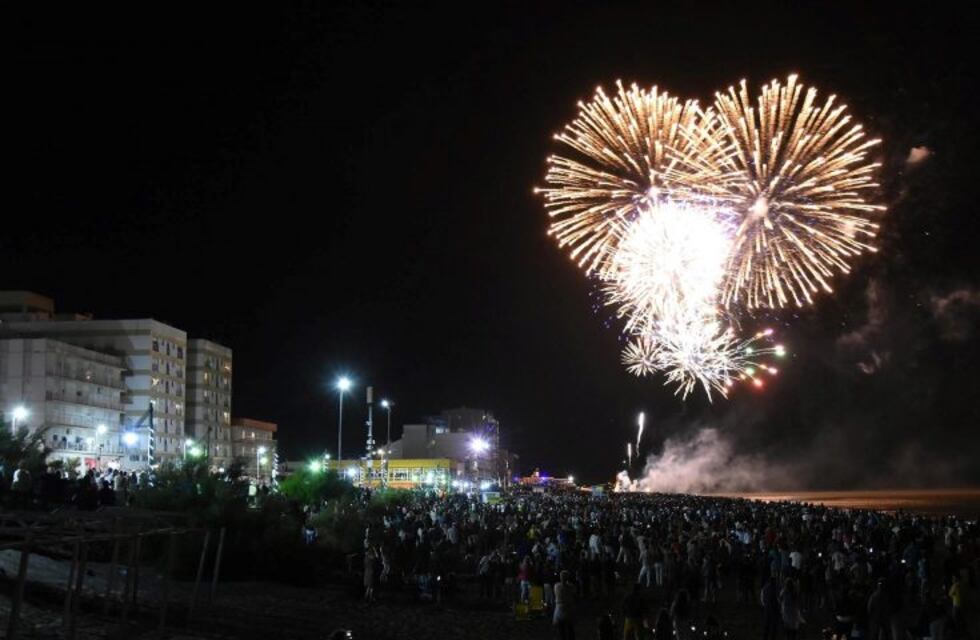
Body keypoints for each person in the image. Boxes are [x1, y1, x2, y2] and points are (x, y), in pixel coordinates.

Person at [554, 570, 576, 640]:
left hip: (559, 609)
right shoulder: (571, 586)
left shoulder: (556, 586)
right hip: (568, 608)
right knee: (570, 629)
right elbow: (574, 592)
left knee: (561, 631)